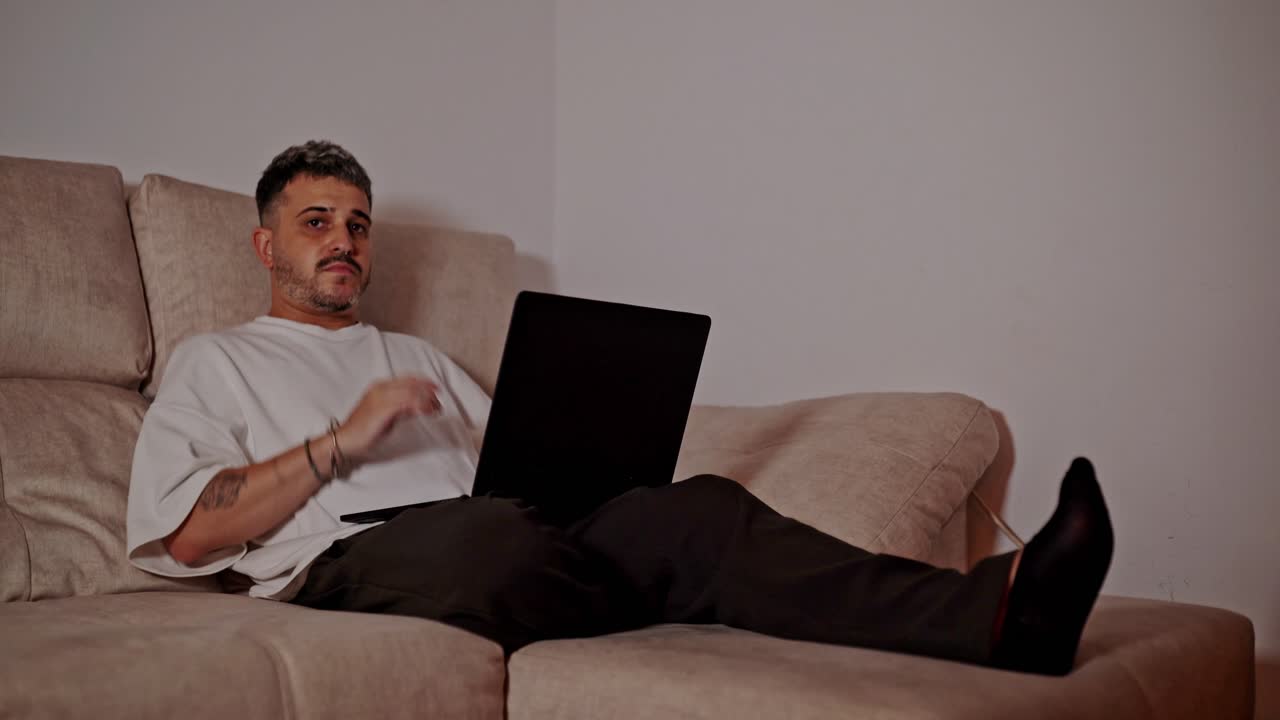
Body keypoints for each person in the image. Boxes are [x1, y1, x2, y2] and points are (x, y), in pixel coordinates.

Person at [126, 140, 1114, 676]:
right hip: (354, 560)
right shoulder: (215, 362)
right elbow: (184, 538)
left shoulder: (416, 354)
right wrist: (341, 442)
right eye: (315, 223)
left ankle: (999, 616)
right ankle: (664, 589)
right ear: (266, 247)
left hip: (516, 537)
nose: (343, 241)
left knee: (700, 510)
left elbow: (519, 465)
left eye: (357, 225)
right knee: (486, 539)